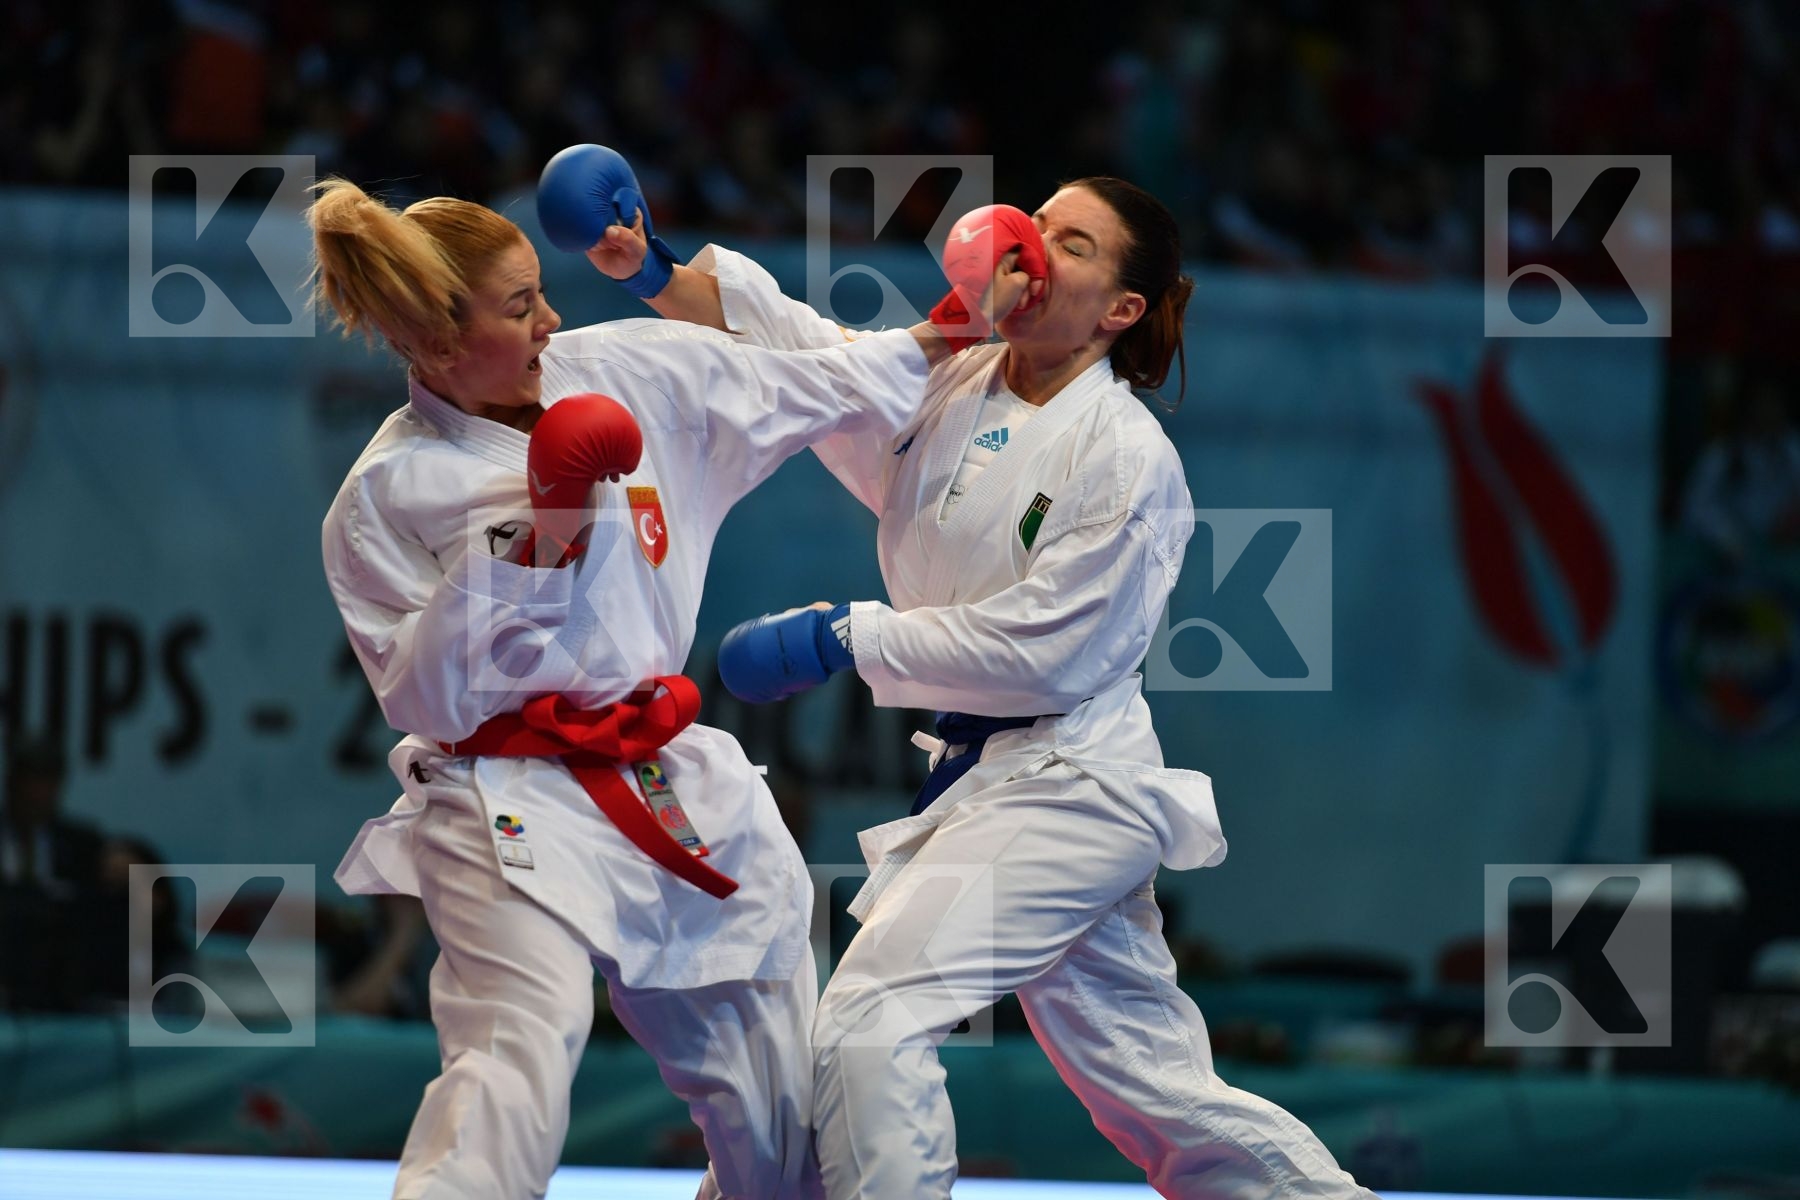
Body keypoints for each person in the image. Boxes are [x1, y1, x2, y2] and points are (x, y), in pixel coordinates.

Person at [595, 168, 1375, 1197]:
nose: (1038, 252)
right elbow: (809, 353)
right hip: (983, 779)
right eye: (1038, 226)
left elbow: (1045, 651)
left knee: (869, 1023)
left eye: (1078, 248)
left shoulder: (1129, 457)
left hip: (1070, 783)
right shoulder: (952, 380)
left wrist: (845, 635)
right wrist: (653, 270)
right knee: (1152, 1088)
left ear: (1122, 310)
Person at [309, 174, 1027, 1200]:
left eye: (539, 292)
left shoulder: (635, 372)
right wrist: (541, 529)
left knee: (778, 1130)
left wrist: (959, 328)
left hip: (665, 782)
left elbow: (826, 383)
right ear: (432, 345)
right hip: (501, 799)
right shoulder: (384, 496)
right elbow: (428, 700)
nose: (550, 319)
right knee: (517, 1052)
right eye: (518, 310)